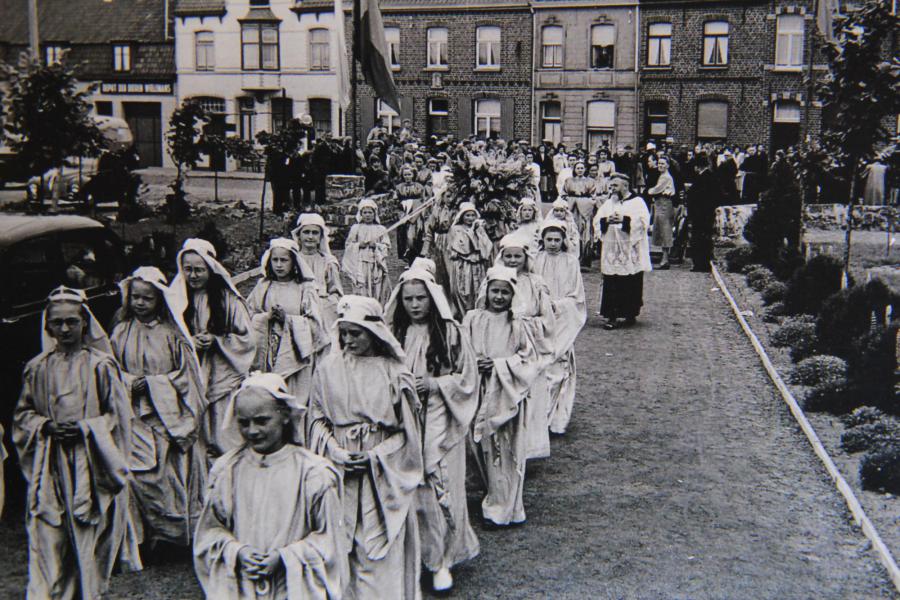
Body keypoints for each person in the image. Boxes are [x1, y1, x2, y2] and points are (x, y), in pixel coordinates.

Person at [14, 286, 137, 599]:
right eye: (58, 322)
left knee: (84, 549)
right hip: (50, 466)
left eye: (72, 321)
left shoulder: (101, 367)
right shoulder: (37, 368)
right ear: (48, 326)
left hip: (91, 469)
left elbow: (118, 418)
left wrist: (86, 429)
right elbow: (23, 415)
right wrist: (45, 427)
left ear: (85, 323)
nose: (65, 329)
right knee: (47, 544)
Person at [307, 296, 423, 599]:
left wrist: (374, 456)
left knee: (377, 549)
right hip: (340, 466)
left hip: (383, 473)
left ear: (373, 332)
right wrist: (336, 452)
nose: (347, 339)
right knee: (342, 545)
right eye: (343, 332)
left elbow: (407, 434)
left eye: (355, 332)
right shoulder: (327, 369)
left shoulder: (395, 373)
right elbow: (317, 420)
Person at [194, 373, 348, 599]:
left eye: (262, 420)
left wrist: (286, 557)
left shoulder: (313, 473)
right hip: (243, 585)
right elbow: (209, 532)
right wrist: (238, 552)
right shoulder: (227, 471)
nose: (252, 431)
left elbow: (330, 539)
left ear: (284, 415)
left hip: (291, 588)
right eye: (244, 423)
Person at [385, 267, 480, 592]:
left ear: (432, 298)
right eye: (408, 299)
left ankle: (442, 560)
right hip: (404, 424)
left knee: (441, 487)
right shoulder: (394, 335)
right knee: (409, 489)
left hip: (440, 424)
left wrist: (436, 385)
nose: (414, 305)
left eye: (420, 298)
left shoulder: (450, 333)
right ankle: (416, 554)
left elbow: (467, 380)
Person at [110, 267, 207, 549]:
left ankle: (172, 535)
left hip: (166, 418)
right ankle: (142, 536)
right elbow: (111, 371)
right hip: (133, 416)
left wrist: (154, 385)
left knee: (166, 474)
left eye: (147, 299)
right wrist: (129, 383)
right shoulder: (120, 332)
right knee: (137, 475)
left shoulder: (172, 336)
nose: (140, 303)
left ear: (160, 301)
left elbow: (187, 378)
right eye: (135, 298)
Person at [462, 266, 541, 526]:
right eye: (494, 291)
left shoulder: (517, 325)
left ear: (512, 295)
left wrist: (497, 365)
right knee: (479, 443)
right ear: (485, 291)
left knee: (504, 448)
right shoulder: (473, 318)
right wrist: (475, 363)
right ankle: (491, 491)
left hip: (506, 393)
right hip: (478, 389)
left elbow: (528, 359)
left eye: (504, 292)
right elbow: (461, 351)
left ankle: (503, 507)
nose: (498, 297)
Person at [172, 238, 255, 462]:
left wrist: (217, 341)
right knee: (196, 440)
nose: (193, 275)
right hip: (190, 378)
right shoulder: (176, 302)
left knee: (223, 435)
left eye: (199, 270)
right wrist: (189, 342)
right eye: (188, 270)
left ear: (211, 269)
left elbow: (247, 339)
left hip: (222, 378)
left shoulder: (229, 301)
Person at [247, 239, 330, 443]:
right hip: (268, 352)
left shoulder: (305, 288)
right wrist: (265, 318)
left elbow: (316, 325)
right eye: (275, 260)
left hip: (295, 355)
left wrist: (289, 321)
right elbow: (249, 316)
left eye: (284, 260)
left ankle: (296, 440)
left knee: (294, 399)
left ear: (294, 262)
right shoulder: (263, 286)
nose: (279, 265)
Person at [488, 230, 555, 460]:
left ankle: (528, 447)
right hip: (503, 342)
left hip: (530, 344)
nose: (513, 261)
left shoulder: (536, 283)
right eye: (509, 257)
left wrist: (528, 324)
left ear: (526, 258)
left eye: (518, 257)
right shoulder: (497, 282)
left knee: (530, 392)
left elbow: (547, 318)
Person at [533, 221, 586, 434]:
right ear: (542, 240)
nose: (553, 244)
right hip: (540, 319)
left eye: (557, 240)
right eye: (549, 239)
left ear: (563, 240)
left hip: (563, 319)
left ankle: (556, 419)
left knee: (558, 367)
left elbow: (577, 296)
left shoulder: (571, 262)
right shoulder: (536, 260)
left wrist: (559, 305)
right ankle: (538, 417)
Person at [594, 173, 652, 329]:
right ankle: (611, 316)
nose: (612, 189)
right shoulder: (609, 203)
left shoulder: (637, 202)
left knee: (631, 280)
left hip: (630, 249)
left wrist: (625, 220)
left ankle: (629, 313)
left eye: (615, 186)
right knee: (612, 280)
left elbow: (643, 222)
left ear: (625, 186)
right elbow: (597, 220)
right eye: (611, 186)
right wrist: (606, 221)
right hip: (612, 249)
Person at [292, 213, 344, 329]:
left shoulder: (328, 262)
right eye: (306, 232)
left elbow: (336, 292)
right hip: (296, 310)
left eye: (315, 233)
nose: (310, 237)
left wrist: (322, 305)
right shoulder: (292, 260)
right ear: (299, 235)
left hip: (323, 312)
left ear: (321, 237)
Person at [342, 198, 392, 305]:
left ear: (375, 214)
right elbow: (348, 245)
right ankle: (361, 305)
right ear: (360, 214)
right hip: (361, 262)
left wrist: (377, 246)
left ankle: (376, 305)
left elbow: (386, 246)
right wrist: (359, 245)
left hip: (376, 263)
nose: (367, 215)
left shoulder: (381, 229)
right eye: (365, 212)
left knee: (376, 285)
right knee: (361, 285)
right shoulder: (356, 228)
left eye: (370, 212)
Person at [447, 201, 494, 316]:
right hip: (463, 265)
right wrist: (471, 233)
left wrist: (478, 232)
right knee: (463, 290)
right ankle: (464, 313)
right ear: (461, 216)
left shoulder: (479, 229)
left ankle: (477, 313)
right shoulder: (456, 229)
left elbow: (486, 247)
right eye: (467, 215)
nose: (470, 218)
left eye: (473, 215)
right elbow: (461, 247)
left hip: (477, 265)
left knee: (477, 289)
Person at [686, 152, 719, 272]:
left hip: (700, 215)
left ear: (697, 166)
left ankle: (700, 264)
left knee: (699, 239)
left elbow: (697, 198)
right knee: (705, 239)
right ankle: (704, 262)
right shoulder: (711, 177)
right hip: (706, 214)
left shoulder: (702, 179)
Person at [562, 161, 598, 267]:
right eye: (578, 168)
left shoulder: (590, 181)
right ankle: (571, 256)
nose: (580, 170)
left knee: (585, 231)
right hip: (572, 209)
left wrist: (584, 202)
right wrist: (572, 200)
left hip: (585, 208)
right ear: (574, 169)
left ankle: (584, 257)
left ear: (585, 169)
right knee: (572, 229)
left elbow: (593, 196)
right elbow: (563, 194)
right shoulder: (568, 181)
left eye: (582, 168)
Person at [648, 155, 677, 269]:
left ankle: (665, 260)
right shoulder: (662, 176)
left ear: (668, 165)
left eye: (663, 164)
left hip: (664, 204)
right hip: (660, 204)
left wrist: (649, 191)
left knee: (665, 231)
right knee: (662, 230)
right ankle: (664, 258)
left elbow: (656, 189)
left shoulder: (666, 177)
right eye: (659, 163)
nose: (660, 165)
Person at [395, 166, 429, 262]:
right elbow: (396, 203)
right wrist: (402, 215)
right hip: (404, 214)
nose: (407, 177)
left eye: (409, 174)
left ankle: (417, 257)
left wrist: (419, 214)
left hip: (417, 214)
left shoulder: (419, 187)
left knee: (415, 236)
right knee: (405, 237)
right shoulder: (399, 187)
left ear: (413, 175)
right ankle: (409, 258)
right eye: (405, 174)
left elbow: (423, 202)